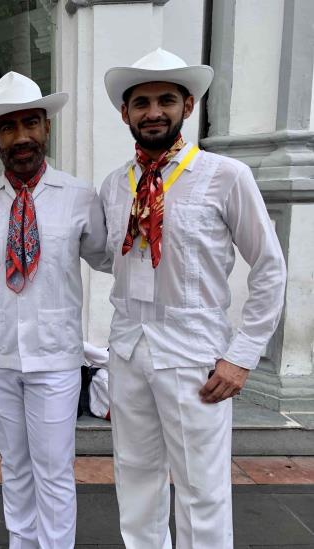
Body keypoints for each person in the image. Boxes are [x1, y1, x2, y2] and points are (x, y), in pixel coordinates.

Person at [101, 48, 287, 549]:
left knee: (202, 489)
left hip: (194, 355)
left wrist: (241, 356)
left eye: (166, 100)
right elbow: (113, 258)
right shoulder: (117, 185)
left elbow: (270, 266)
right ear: (125, 113)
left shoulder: (225, 176)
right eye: (141, 102)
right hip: (130, 350)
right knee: (135, 479)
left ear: (188, 105)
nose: (153, 111)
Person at [0, 71, 108, 549]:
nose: (21, 136)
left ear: (46, 127)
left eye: (30, 123)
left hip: (56, 357)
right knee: (15, 468)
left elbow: (113, 260)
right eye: (8, 127)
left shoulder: (80, 196)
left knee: (54, 470)